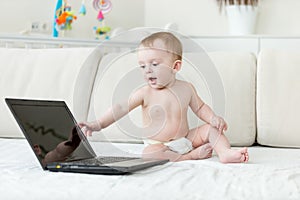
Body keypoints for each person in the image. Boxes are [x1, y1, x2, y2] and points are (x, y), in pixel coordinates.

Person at [79, 31, 249, 163]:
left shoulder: (186, 89)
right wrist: (98, 124)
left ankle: (225, 153)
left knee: (212, 130)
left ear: (175, 66)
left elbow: (200, 108)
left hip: (186, 139)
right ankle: (189, 157)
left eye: (154, 64)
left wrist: (213, 118)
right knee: (149, 154)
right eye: (142, 65)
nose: (147, 70)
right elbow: (121, 108)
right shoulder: (145, 93)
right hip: (157, 145)